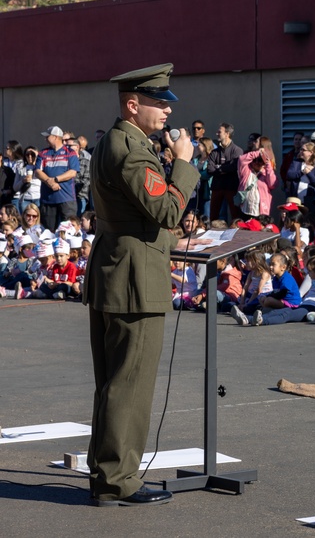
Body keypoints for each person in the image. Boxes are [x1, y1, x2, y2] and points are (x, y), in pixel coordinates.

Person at [83, 63, 199, 507]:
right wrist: (184, 165)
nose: (167, 110)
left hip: (119, 270)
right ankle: (118, 480)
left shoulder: (119, 142)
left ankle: (108, 473)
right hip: (133, 276)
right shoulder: (130, 148)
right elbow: (167, 212)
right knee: (128, 382)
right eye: (158, 102)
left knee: (115, 381)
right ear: (133, 105)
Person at [34, 125, 80, 232]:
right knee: (49, 231)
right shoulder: (43, 153)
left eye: (48, 136)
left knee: (68, 230)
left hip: (66, 198)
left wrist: (55, 180)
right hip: (48, 199)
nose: (45, 139)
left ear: (55, 137)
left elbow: (72, 172)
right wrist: (49, 182)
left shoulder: (70, 153)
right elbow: (37, 171)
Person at [207, 123, 243, 222]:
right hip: (217, 188)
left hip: (231, 188)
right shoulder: (214, 152)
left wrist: (219, 168)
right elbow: (209, 169)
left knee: (235, 216)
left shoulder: (237, 150)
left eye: (219, 132)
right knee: (213, 216)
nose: (217, 134)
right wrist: (224, 168)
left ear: (227, 133)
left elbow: (234, 167)